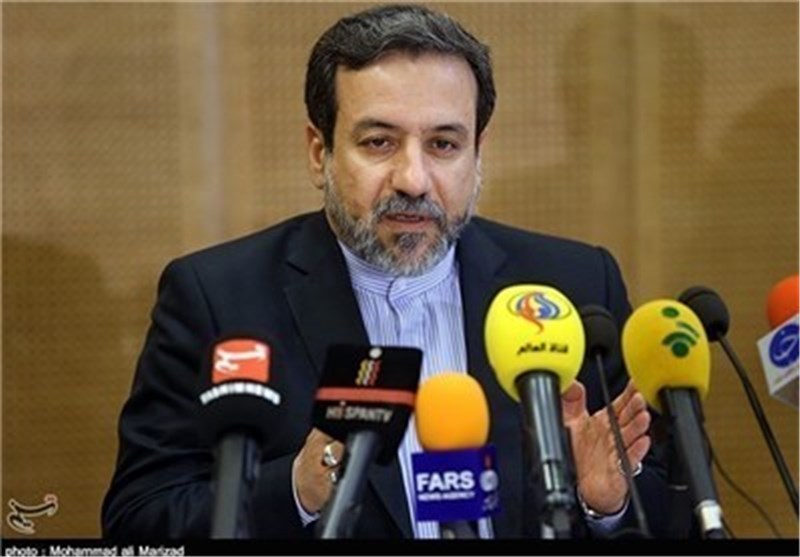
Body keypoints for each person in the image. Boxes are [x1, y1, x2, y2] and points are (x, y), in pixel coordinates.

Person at [102, 4, 683, 540]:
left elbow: (676, 510)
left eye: (443, 144)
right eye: (379, 142)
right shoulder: (218, 298)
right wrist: (299, 488)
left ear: (478, 152)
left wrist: (605, 505)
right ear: (319, 152)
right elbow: (139, 521)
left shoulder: (572, 286)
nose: (413, 179)